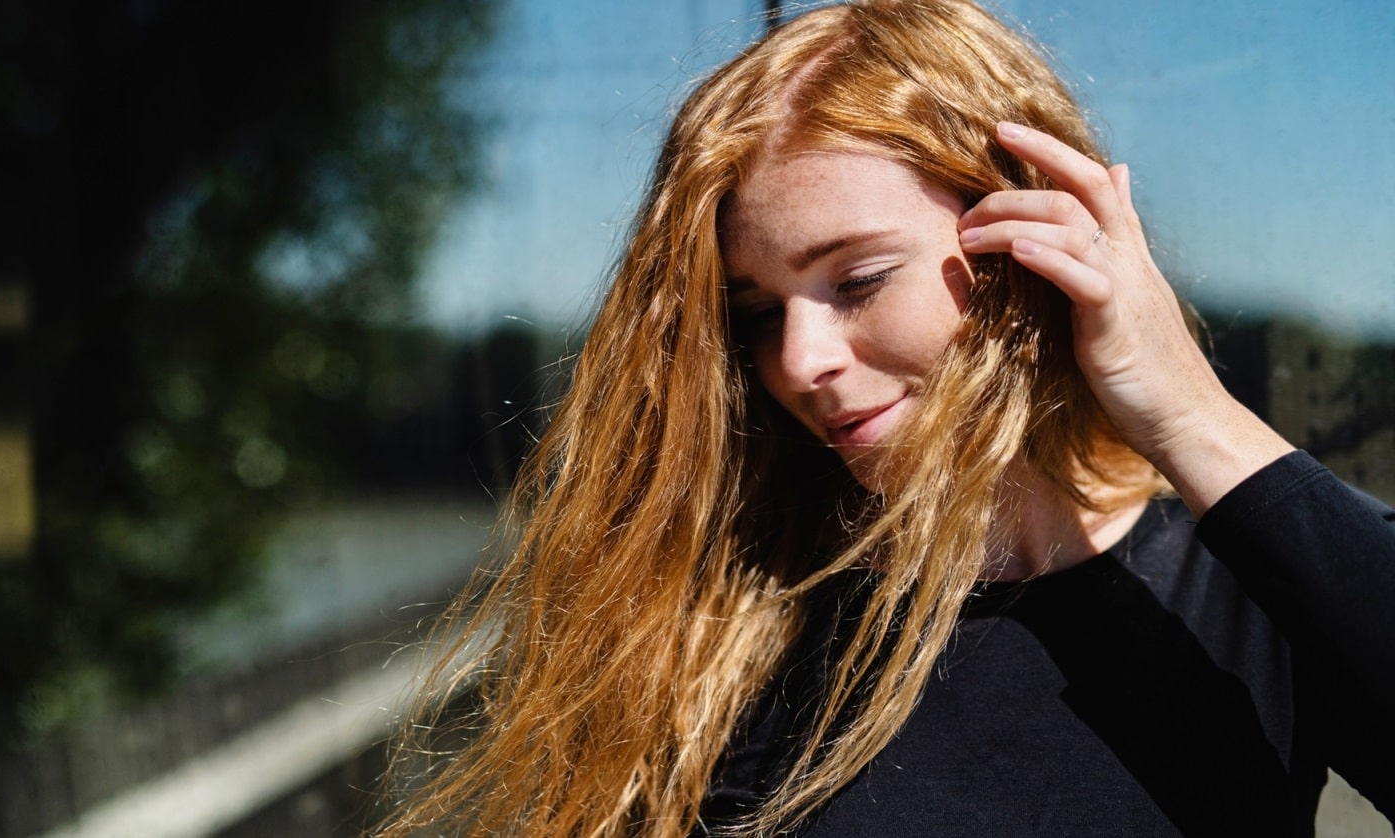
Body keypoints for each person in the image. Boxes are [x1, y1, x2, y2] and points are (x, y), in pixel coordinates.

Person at [378, 1, 1395, 835]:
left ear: (1024, 241)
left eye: (856, 280)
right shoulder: (730, 618)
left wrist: (1187, 411)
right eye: (757, 313)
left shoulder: (1248, 581)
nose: (797, 360)